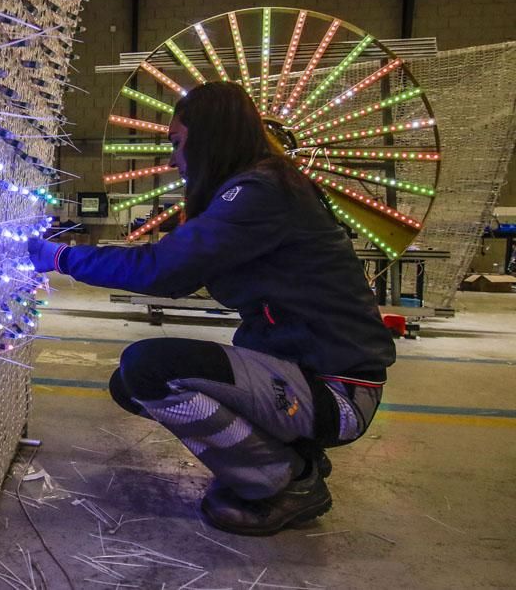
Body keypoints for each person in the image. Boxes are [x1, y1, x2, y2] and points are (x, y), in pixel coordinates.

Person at [27, 82, 395, 536]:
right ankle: (293, 452)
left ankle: (285, 481)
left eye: (178, 144)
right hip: (309, 373)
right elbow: (178, 264)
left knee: (148, 369)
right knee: (129, 384)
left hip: (336, 392)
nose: (172, 160)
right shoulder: (264, 185)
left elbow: (165, 271)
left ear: (210, 138)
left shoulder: (261, 191)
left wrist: (60, 258)